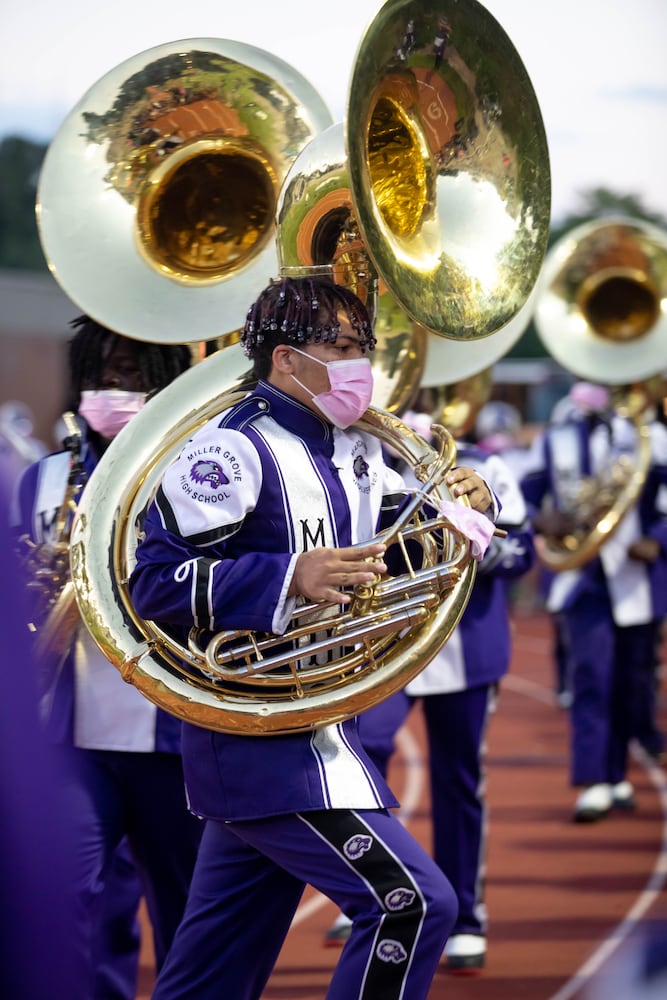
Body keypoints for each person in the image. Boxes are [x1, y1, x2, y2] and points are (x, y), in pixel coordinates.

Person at [128, 274, 499, 1000]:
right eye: (340, 345)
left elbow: (403, 544)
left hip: (322, 721)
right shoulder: (229, 453)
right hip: (263, 740)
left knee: (209, 974)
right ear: (285, 360)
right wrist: (287, 575)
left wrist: (466, 502)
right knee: (414, 906)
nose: (361, 361)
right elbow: (151, 585)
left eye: (362, 345)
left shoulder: (359, 448)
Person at [12, 315, 203, 998]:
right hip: (71, 738)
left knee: (188, 921)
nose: (111, 390)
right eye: (100, 377)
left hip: (176, 741)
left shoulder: (200, 474)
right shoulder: (42, 480)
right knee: (56, 897)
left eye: (129, 377)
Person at [325, 412, 536, 972]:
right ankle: (375, 892)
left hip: (465, 656)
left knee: (458, 779)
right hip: (380, 651)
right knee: (361, 761)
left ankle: (467, 915)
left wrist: (477, 524)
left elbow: (522, 556)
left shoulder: (486, 466)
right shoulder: (357, 456)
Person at [521, 382, 667, 822]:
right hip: (581, 579)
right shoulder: (555, 437)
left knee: (633, 683)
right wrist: (541, 519)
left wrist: (657, 541)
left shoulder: (651, 436)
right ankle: (594, 780)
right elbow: (525, 500)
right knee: (590, 678)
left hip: (634, 579)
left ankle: (618, 773)